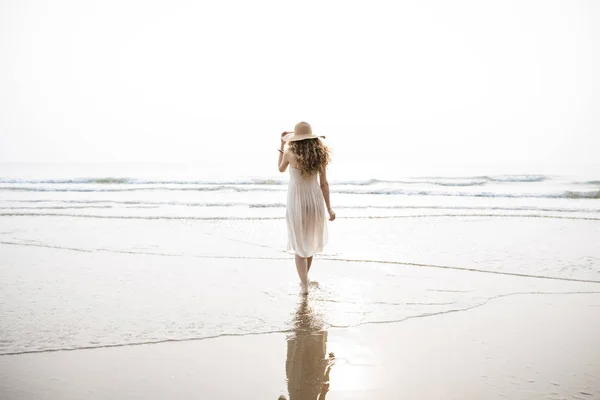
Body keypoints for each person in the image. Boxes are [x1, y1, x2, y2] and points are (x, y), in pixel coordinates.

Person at [278, 122, 335, 294]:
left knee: (299, 245)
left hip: (296, 202)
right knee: (309, 243)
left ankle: (304, 286)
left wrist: (282, 144)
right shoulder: (320, 155)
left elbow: (280, 169)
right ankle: (305, 280)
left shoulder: (289, 153)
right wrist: (329, 208)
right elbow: (323, 184)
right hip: (314, 202)